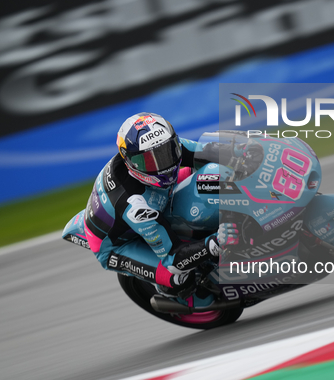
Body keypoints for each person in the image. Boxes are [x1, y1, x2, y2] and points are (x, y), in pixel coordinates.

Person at [83, 112, 230, 304]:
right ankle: (173, 292)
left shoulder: (166, 145)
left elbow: (210, 151)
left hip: (158, 196)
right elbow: (173, 257)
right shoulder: (135, 206)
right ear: (130, 163)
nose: (164, 164)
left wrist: (246, 153)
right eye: (150, 161)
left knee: (211, 175)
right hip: (118, 244)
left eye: (165, 152)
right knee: (176, 276)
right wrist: (214, 243)